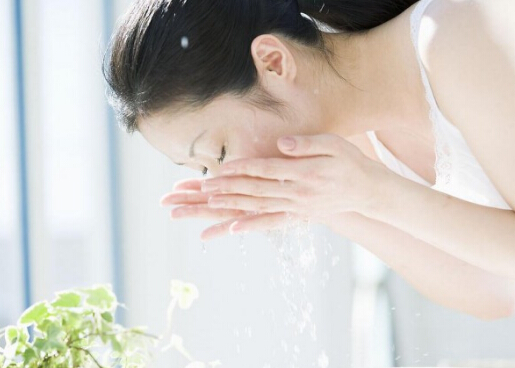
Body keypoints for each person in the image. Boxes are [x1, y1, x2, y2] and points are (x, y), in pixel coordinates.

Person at [103, 0, 515, 320]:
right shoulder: (363, 149)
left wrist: (376, 194)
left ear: (273, 62)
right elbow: (493, 292)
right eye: (208, 170)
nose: (229, 178)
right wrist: (330, 206)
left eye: (221, 151)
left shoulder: (453, 39)